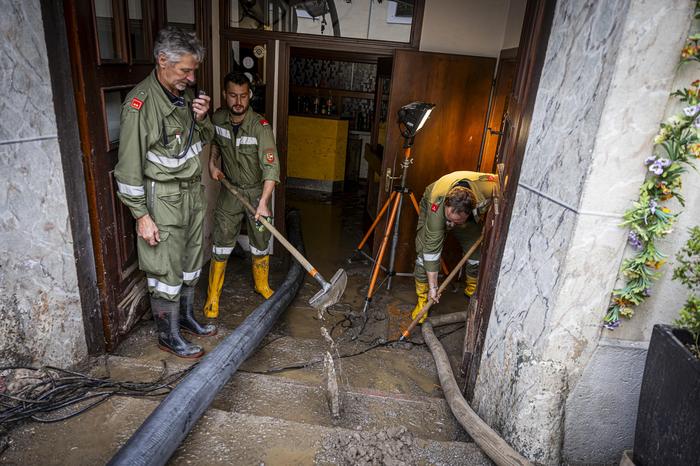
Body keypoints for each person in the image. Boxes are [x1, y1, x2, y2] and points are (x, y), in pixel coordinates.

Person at [114, 27, 217, 359]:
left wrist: (201, 119)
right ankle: (167, 335)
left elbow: (198, 143)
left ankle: (185, 317)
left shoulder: (183, 96)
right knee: (165, 271)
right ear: (162, 60)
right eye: (185, 70)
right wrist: (142, 216)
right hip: (163, 199)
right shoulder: (140, 105)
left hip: (190, 193)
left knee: (189, 264)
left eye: (192, 71)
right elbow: (128, 169)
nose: (190, 77)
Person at [202, 72, 280, 318]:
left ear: (250, 96)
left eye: (243, 96)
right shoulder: (218, 119)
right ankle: (213, 296)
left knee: (260, 239)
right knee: (222, 240)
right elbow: (215, 143)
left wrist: (264, 203)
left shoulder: (260, 126)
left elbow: (271, 168)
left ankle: (262, 285)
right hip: (230, 189)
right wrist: (213, 165)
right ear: (225, 95)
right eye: (233, 95)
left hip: (257, 190)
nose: (238, 101)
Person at [412, 171, 499, 323]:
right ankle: (423, 299)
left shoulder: (490, 187)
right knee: (424, 253)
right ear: (447, 205)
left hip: (468, 212)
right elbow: (432, 251)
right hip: (433, 207)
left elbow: (508, 184)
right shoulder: (437, 203)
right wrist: (434, 287)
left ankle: (472, 289)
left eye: (457, 222)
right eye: (449, 219)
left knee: (476, 252)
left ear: (468, 213)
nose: (451, 225)